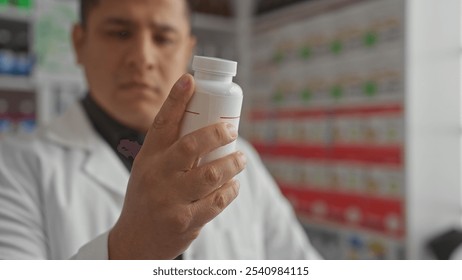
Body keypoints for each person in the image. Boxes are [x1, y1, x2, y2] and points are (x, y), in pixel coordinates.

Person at [0, 0, 321, 260]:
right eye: (119, 33)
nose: (143, 57)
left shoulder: (240, 159)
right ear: (79, 43)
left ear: (187, 49)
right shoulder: (14, 168)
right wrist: (130, 250)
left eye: (163, 38)